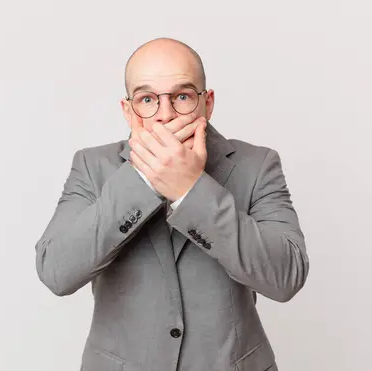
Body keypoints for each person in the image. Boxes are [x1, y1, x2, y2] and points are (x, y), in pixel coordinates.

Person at [35, 37, 309, 371]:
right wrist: (142, 180)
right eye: (147, 99)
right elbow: (56, 272)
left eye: (181, 96)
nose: (165, 115)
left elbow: (286, 277)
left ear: (207, 103)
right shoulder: (93, 167)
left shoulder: (257, 164)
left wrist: (191, 190)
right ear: (128, 111)